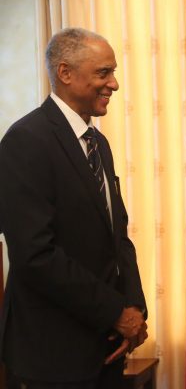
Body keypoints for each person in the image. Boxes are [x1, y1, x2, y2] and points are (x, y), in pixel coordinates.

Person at [0, 28, 147, 388]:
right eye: (103, 73)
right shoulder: (25, 141)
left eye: (113, 72)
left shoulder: (98, 143)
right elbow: (35, 255)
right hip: (54, 352)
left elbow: (118, 237)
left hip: (106, 345)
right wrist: (115, 312)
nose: (113, 84)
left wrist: (136, 311)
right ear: (65, 73)